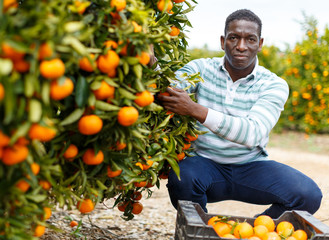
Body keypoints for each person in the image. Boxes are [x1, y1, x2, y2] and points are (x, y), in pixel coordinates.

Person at [157, 9, 322, 218]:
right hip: (203, 166)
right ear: (222, 41)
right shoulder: (199, 69)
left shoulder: (273, 84)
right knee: (182, 176)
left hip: (251, 167)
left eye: (250, 39)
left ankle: (256, 229)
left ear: (260, 44)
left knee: (308, 195)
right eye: (234, 38)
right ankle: (197, 230)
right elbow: (167, 90)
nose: (241, 46)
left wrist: (194, 109)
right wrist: (151, 61)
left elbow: (252, 134)